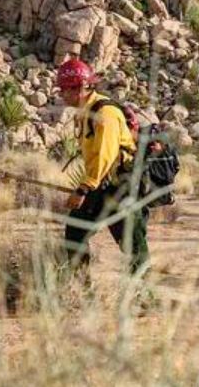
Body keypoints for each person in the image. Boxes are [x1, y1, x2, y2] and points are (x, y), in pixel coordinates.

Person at [56, 58, 150, 276]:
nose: (61, 94)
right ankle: (80, 288)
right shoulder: (85, 112)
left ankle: (144, 294)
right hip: (102, 184)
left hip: (120, 185)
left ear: (79, 88)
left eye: (64, 90)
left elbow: (106, 155)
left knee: (131, 241)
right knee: (75, 232)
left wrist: (84, 188)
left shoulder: (104, 114)